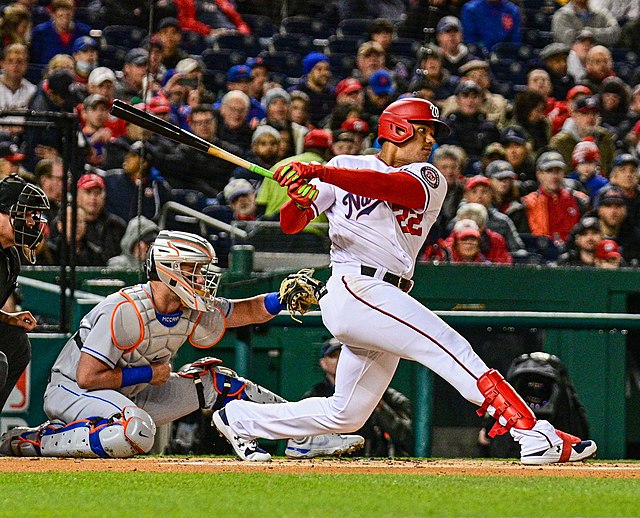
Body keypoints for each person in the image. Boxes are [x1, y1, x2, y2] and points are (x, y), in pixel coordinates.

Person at [210, 97, 598, 464]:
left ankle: (242, 419)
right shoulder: (346, 164)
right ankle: (531, 432)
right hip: (356, 286)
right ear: (396, 129)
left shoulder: (427, 176)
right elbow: (291, 225)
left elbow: (392, 188)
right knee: (449, 347)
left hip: (385, 294)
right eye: (423, 130)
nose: (431, 139)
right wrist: (297, 195)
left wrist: (319, 171)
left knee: (346, 413)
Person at [0, 230, 364, 460]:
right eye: (194, 271)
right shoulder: (124, 310)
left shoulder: (190, 305)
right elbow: (88, 376)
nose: (202, 279)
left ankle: (306, 438)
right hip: (72, 392)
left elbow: (241, 311)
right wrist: (150, 371)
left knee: (219, 382)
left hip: (135, 390)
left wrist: (280, 299)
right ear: (171, 271)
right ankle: (28, 442)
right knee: (136, 431)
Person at [303, 338, 413, 457]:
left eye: (344, 355)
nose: (340, 360)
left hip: (376, 461)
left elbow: (404, 436)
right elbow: (304, 438)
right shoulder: (315, 396)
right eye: (334, 356)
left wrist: (380, 406)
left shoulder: (388, 396)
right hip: (331, 461)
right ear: (323, 363)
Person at [0, 175, 49, 412]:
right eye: (26, 214)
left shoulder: (10, 258)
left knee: (17, 345)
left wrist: (7, 317)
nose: (32, 222)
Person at [551, 0, 621, 47]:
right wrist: (584, 35)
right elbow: (567, 40)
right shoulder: (561, 15)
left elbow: (615, 33)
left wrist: (591, 32)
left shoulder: (602, 12)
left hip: (598, 58)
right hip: (569, 60)